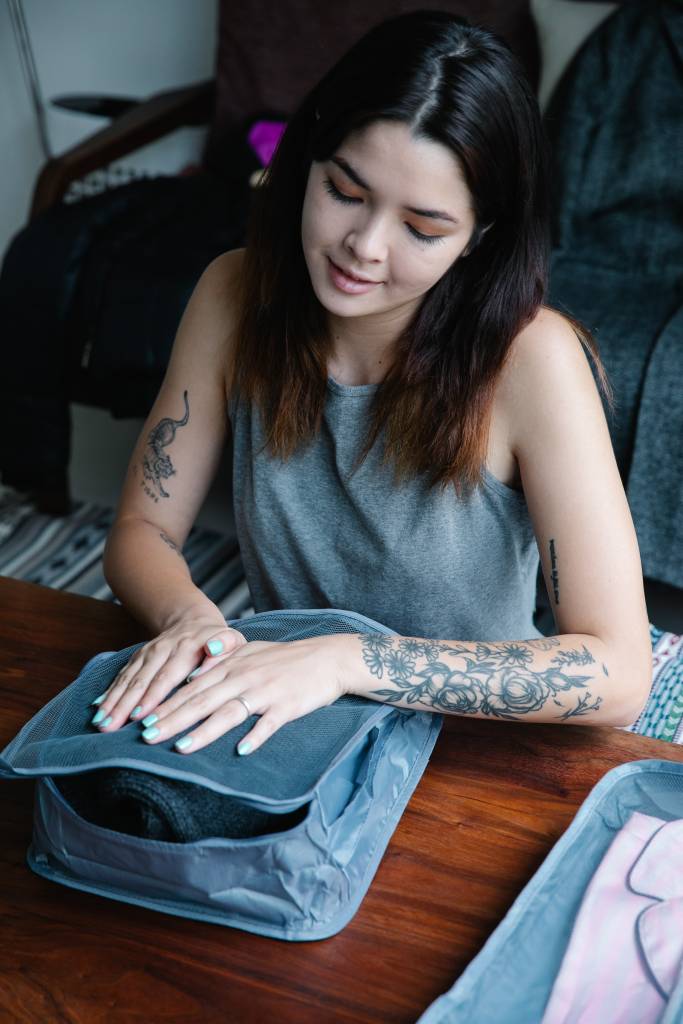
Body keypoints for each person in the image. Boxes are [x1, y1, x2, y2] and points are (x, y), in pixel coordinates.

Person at [98, 11, 652, 757]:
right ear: (307, 161)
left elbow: (620, 673)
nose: (363, 247)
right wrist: (188, 618)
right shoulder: (234, 294)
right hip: (289, 725)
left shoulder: (532, 360)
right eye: (344, 191)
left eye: (422, 229)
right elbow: (142, 529)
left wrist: (345, 661)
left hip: (472, 745)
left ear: (478, 238)